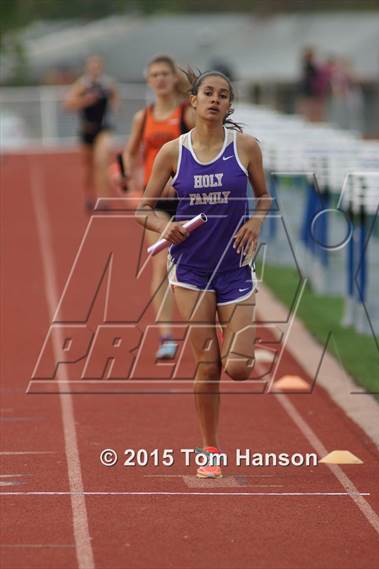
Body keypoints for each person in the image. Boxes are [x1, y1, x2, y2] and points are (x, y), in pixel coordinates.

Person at [135, 70, 272, 478]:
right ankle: (209, 449)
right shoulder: (173, 153)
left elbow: (264, 197)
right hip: (191, 269)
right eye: (208, 93)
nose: (215, 99)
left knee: (239, 368)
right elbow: (143, 209)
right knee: (208, 365)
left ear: (230, 105)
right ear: (192, 101)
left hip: (234, 267)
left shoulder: (245, 147)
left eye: (224, 95)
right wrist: (166, 227)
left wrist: (255, 223)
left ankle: (236, 335)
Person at [121, 55, 194, 360]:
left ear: (173, 78)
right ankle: (166, 335)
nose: (160, 79)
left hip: (190, 198)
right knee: (161, 263)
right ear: (149, 80)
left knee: (197, 264)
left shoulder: (187, 114)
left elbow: (203, 146)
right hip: (157, 202)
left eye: (165, 73)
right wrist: (133, 176)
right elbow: (129, 151)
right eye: (155, 74)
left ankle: (206, 326)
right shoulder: (145, 116)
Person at [64, 55, 118, 212]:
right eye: (92, 66)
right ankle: (89, 196)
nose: (95, 69)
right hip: (87, 130)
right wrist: (85, 101)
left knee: (101, 162)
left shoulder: (108, 84)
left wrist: (114, 106)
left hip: (104, 129)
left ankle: (104, 199)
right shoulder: (82, 85)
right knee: (88, 167)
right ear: (88, 68)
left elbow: (115, 98)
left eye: (97, 66)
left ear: (101, 67)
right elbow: (68, 104)